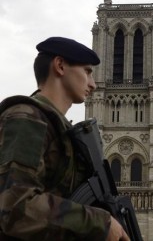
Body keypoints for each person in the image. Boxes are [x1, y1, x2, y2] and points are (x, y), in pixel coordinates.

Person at [0, 37, 129, 241]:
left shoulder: (60, 129)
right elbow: (15, 207)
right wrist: (99, 223)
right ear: (60, 66)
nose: (93, 84)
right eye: (87, 71)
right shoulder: (27, 118)